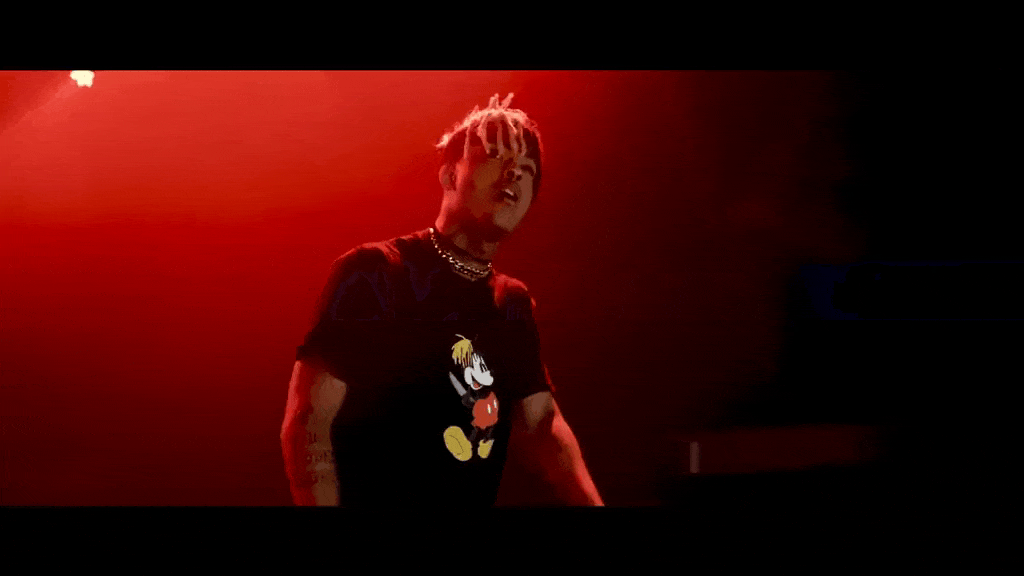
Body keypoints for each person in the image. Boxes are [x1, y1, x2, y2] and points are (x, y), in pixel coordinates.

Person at [280, 93, 604, 506]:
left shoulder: (511, 304)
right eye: (496, 157)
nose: (514, 174)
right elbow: (309, 424)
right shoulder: (376, 271)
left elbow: (542, 425)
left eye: (527, 170)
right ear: (450, 175)